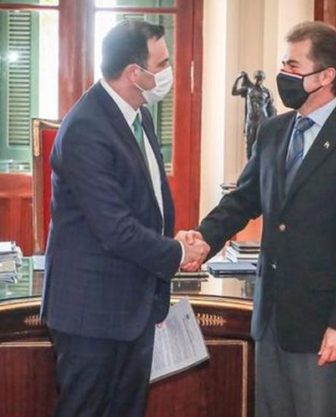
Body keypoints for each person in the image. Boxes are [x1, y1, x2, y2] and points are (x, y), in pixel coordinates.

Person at [184, 21, 336, 417]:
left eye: (293, 66)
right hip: (271, 321)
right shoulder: (273, 132)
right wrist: (203, 240)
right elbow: (243, 199)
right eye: (283, 64)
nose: (283, 75)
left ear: (326, 76)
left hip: (324, 327)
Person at [40, 20, 208, 417]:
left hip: (134, 308)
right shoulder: (86, 127)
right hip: (92, 314)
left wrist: (175, 238)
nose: (168, 72)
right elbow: (115, 228)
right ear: (135, 73)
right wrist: (176, 252)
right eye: (162, 63)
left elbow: (145, 201)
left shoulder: (138, 115)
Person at [231, 70, 277, 159]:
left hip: (263, 120)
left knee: (262, 144)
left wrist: (273, 124)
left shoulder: (267, 92)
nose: (258, 80)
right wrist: (238, 78)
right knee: (249, 145)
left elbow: (271, 109)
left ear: (263, 79)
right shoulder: (248, 89)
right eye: (257, 78)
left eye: (260, 78)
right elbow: (234, 92)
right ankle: (250, 164)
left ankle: (260, 165)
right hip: (251, 121)